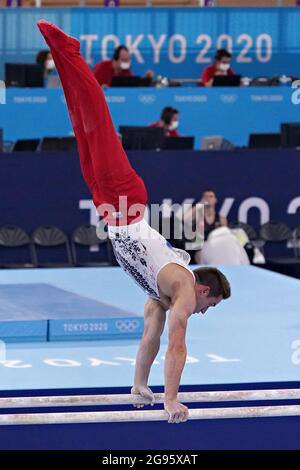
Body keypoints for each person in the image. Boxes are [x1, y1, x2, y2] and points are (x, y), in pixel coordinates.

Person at [37, 20, 231, 424]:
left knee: (80, 124)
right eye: (209, 305)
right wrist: (171, 400)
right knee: (94, 116)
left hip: (112, 210)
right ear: (202, 288)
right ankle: (67, 49)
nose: (202, 311)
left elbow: (152, 339)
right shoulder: (182, 289)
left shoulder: (161, 297)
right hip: (126, 201)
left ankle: (61, 57)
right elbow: (178, 346)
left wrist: (140, 384)